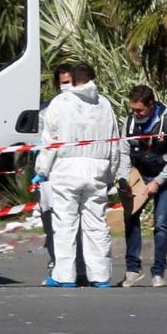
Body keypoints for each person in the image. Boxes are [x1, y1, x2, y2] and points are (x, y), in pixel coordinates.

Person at [34, 63, 121, 288]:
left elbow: (50, 142)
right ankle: (101, 276)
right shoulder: (104, 105)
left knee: (65, 224)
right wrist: (110, 173)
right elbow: (114, 144)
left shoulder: (60, 103)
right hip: (98, 169)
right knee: (97, 224)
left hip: (66, 169)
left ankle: (64, 276)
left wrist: (42, 171)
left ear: (72, 80)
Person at [115, 85, 167, 288]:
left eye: (140, 110)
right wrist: (123, 180)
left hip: (164, 177)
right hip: (139, 175)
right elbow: (124, 153)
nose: (136, 114)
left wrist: (158, 181)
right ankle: (132, 269)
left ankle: (158, 272)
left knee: (161, 222)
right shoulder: (129, 122)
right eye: (133, 110)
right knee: (131, 217)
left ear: (151, 105)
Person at [36, 64, 75, 281]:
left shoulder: (90, 106)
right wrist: (41, 171)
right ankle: (56, 265)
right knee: (51, 222)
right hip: (50, 174)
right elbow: (44, 141)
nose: (66, 87)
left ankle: (75, 269)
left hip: (73, 170)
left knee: (74, 223)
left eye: (69, 82)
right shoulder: (47, 108)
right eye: (63, 83)